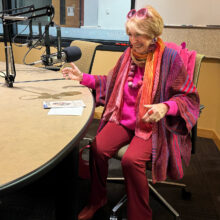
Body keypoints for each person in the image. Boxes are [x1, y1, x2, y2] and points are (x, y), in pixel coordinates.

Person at [61, 5, 200, 220]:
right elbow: (111, 83)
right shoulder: (128, 55)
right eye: (130, 35)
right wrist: (84, 78)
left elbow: (187, 97)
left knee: (131, 160)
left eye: (139, 35)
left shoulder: (171, 59)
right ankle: (98, 199)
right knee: (98, 147)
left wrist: (165, 107)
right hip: (124, 120)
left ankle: (140, 215)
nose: (133, 40)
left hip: (152, 125)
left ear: (153, 35)